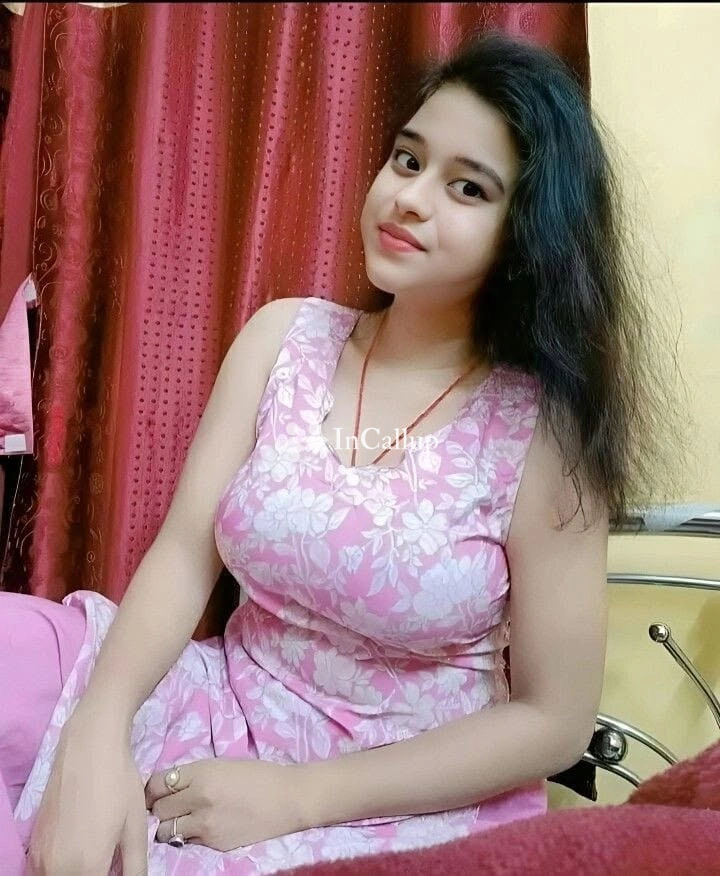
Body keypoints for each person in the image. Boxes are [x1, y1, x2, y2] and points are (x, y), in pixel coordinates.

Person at [0, 29, 679, 876]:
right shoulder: (283, 338)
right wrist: (98, 731)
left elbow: (555, 719)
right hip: (219, 700)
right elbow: (182, 553)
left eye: (467, 187)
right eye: (407, 160)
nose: (410, 198)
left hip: (388, 795)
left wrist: (297, 798)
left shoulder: (546, 434)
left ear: (526, 235)